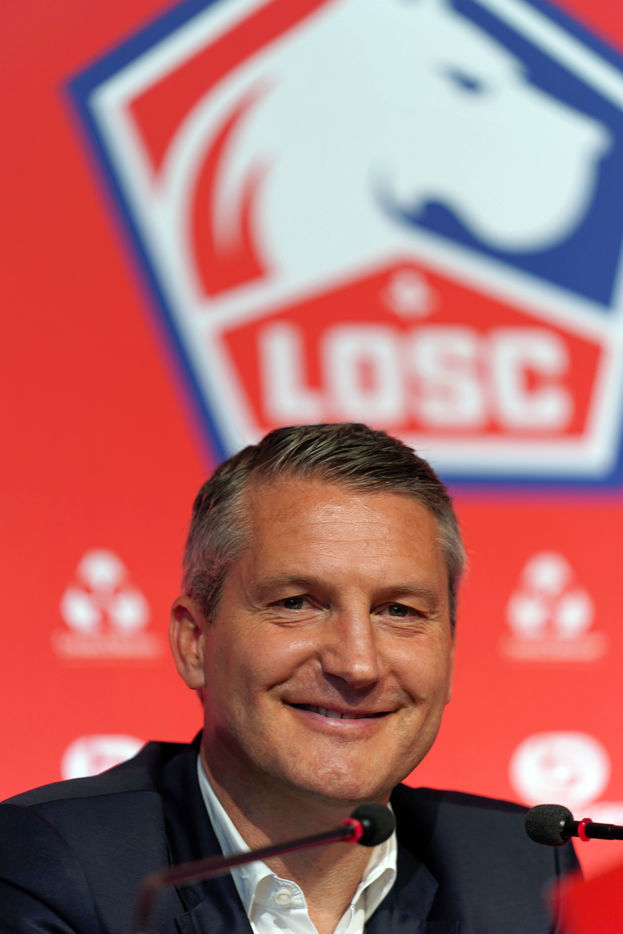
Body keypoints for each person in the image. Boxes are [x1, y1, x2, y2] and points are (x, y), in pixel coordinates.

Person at [0, 423, 578, 933]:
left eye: (398, 611)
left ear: (449, 652)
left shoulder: (523, 868)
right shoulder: (55, 864)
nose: (358, 664)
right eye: (297, 603)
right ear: (194, 642)